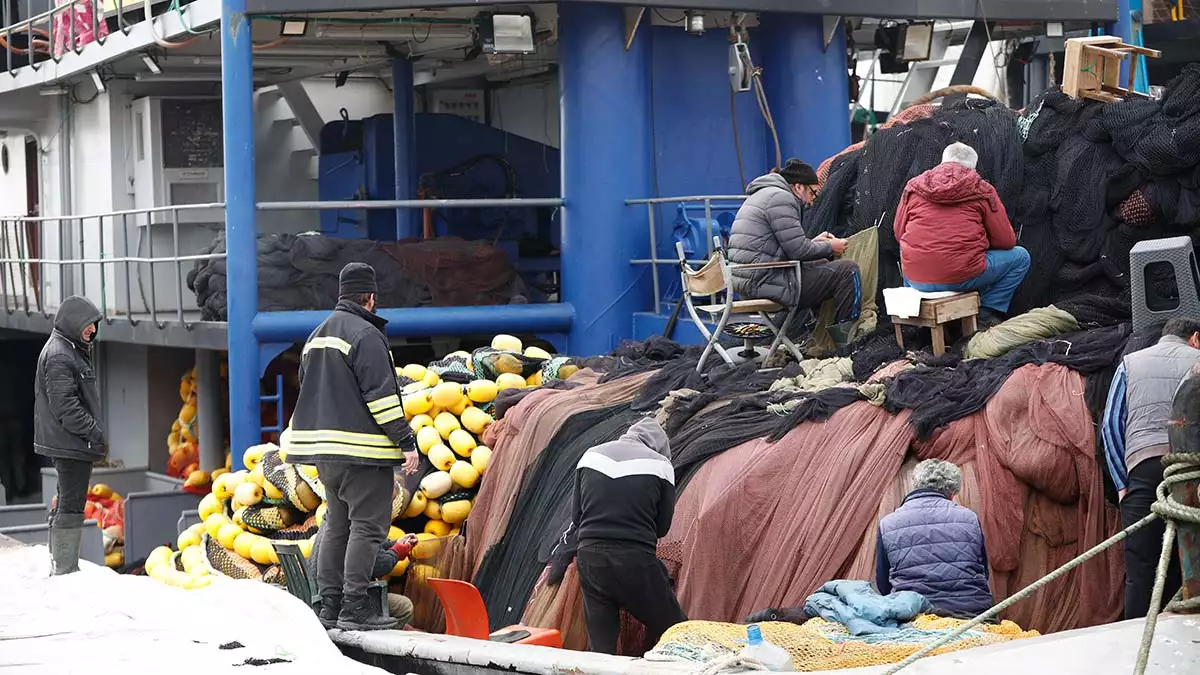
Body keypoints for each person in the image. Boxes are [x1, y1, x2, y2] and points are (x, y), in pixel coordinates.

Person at [286, 262, 420, 632]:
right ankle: (355, 605)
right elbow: (381, 398)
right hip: (361, 453)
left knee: (336, 525)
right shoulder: (366, 335)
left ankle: (328, 605)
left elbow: (308, 387)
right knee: (366, 527)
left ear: (342, 295)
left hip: (323, 454)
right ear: (371, 298)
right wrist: (406, 442)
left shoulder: (316, 335)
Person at [1101, 317, 1200, 619]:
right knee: (1191, 561)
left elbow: (1110, 426)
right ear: (1195, 338)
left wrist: (1123, 483)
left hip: (1143, 469)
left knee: (1141, 566)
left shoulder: (1130, 363)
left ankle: (1137, 642)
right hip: (1190, 472)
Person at [573, 417, 685, 655]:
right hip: (634, 562)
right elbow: (662, 528)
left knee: (601, 649)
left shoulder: (591, 456)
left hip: (589, 558)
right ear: (659, 446)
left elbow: (576, 516)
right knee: (677, 632)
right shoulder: (661, 465)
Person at [727, 159, 862, 348]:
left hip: (752, 279)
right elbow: (797, 250)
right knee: (848, 271)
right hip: (765, 281)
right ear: (798, 186)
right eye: (812, 192)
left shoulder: (764, 195)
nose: (811, 200)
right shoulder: (781, 199)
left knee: (822, 264)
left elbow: (781, 247)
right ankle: (845, 345)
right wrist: (832, 247)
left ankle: (817, 337)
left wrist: (815, 243)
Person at [894, 142, 1030, 325]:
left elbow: (898, 232)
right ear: (973, 167)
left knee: (908, 250)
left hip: (915, 279)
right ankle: (988, 312)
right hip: (961, 276)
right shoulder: (983, 190)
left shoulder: (913, 187)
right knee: (1021, 257)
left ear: (942, 161)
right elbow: (1005, 241)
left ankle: (915, 322)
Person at [34, 295, 105, 576]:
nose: (92, 330)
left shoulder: (68, 348)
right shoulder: (61, 355)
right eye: (88, 325)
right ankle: (65, 568)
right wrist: (94, 432)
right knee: (72, 504)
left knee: (66, 499)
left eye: (94, 325)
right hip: (70, 444)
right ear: (74, 324)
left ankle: (60, 564)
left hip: (68, 442)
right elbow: (66, 408)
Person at [876, 459, 992, 619]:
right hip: (972, 613)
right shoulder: (969, 518)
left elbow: (883, 584)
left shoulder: (888, 523)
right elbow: (983, 571)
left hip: (914, 615)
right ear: (953, 492)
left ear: (915, 484)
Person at [308, 524, 419, 629]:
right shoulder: (363, 520)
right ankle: (371, 646)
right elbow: (376, 566)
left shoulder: (333, 517)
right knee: (404, 607)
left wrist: (395, 544)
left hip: (322, 599)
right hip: (345, 603)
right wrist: (396, 552)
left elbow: (366, 547)